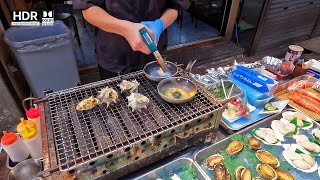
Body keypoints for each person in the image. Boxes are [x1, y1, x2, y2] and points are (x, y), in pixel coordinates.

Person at [74, 0, 183, 79]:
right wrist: (125, 29)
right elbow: (88, 7)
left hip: (153, 53)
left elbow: (175, 6)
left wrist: (160, 24)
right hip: (114, 54)